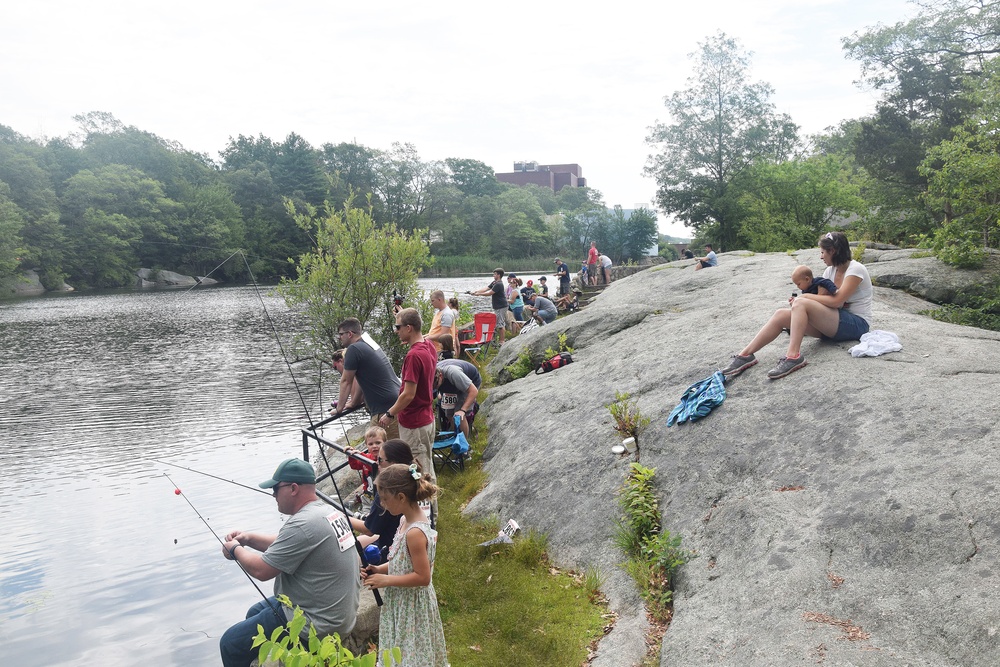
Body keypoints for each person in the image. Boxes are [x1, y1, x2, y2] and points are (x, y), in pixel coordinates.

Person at [220, 458, 361, 667]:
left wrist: (234, 549)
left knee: (230, 643)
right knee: (254, 612)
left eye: (276, 489)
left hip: (317, 624)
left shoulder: (303, 524)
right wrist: (248, 539)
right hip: (336, 615)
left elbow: (261, 570)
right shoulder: (326, 512)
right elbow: (283, 545)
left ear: (293, 488)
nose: (273, 495)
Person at [721, 231, 872, 380]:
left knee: (801, 301)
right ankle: (745, 355)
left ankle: (793, 356)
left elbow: (837, 301)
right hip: (833, 325)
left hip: (856, 325)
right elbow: (822, 301)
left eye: (823, 252)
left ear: (832, 251)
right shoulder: (829, 271)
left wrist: (804, 298)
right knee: (781, 314)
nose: (821, 256)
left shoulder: (855, 269)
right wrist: (801, 307)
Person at [361, 463, 448, 667]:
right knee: (400, 652)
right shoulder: (404, 521)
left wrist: (387, 580)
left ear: (401, 497)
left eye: (384, 499)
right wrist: (379, 570)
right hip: (400, 603)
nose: (382, 504)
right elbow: (402, 564)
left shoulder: (415, 533)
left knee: (413, 656)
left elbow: (423, 577)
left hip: (413, 606)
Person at [380, 308, 438, 497]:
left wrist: (390, 414)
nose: (396, 331)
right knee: (427, 465)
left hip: (414, 423)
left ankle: (427, 519)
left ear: (409, 328)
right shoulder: (428, 346)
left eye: (398, 327)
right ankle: (430, 514)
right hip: (427, 418)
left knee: (418, 473)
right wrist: (402, 311)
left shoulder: (413, 356)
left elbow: (408, 394)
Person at [347, 438, 414, 563]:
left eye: (380, 460)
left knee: (351, 554)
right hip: (394, 534)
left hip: (392, 546)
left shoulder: (387, 490)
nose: (376, 463)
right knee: (358, 542)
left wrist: (342, 517)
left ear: (393, 463)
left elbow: (369, 530)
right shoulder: (414, 481)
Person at [335, 318, 402, 439]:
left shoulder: (353, 349)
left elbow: (346, 381)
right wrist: (353, 402)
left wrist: (339, 408)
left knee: (390, 452)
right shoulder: (369, 343)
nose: (339, 337)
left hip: (386, 409)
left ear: (350, 334)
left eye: (341, 334)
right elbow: (362, 379)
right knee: (382, 450)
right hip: (394, 401)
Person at [434, 358, 481, 438]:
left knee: (459, 415)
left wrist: (463, 410)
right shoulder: (432, 375)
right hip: (451, 385)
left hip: (470, 382)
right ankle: (456, 437)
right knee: (449, 414)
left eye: (436, 385)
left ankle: (463, 447)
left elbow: (473, 391)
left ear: (440, 376)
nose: (434, 387)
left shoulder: (453, 372)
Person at [344, 425, 386, 508]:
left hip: (382, 496)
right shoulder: (367, 457)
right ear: (366, 445)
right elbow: (355, 466)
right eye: (370, 444)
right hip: (368, 496)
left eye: (378, 443)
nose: (374, 446)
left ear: (385, 443)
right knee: (367, 514)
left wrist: (362, 455)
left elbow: (375, 467)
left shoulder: (386, 458)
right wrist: (352, 454)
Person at [468, 268, 508, 346]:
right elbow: (486, 288)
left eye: (495, 274)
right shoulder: (494, 282)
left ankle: (502, 342)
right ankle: (496, 340)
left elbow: (490, 293)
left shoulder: (499, 284)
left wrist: (479, 294)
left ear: (499, 275)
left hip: (501, 306)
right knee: (497, 323)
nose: (493, 275)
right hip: (497, 306)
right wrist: (476, 292)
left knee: (500, 324)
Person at [425, 290, 458, 357]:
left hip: (442, 351)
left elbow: (443, 335)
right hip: (435, 349)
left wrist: (427, 338)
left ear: (439, 299)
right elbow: (434, 332)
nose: (431, 303)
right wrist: (421, 337)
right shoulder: (439, 313)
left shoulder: (446, 314)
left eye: (433, 301)